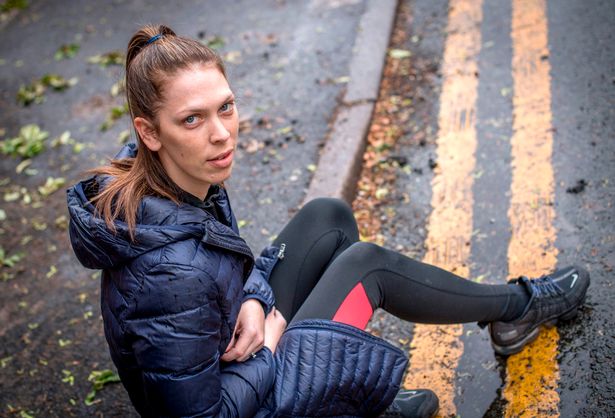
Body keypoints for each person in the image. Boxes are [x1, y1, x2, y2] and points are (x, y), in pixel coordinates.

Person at [66, 24, 590, 418]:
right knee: (367, 267)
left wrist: (256, 296)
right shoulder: (168, 274)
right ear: (149, 132)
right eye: (193, 119)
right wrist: (270, 344)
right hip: (243, 399)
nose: (222, 134)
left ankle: (343, 388)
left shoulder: (172, 180)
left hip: (233, 351)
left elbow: (224, 262)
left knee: (328, 217)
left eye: (225, 107)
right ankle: (517, 308)